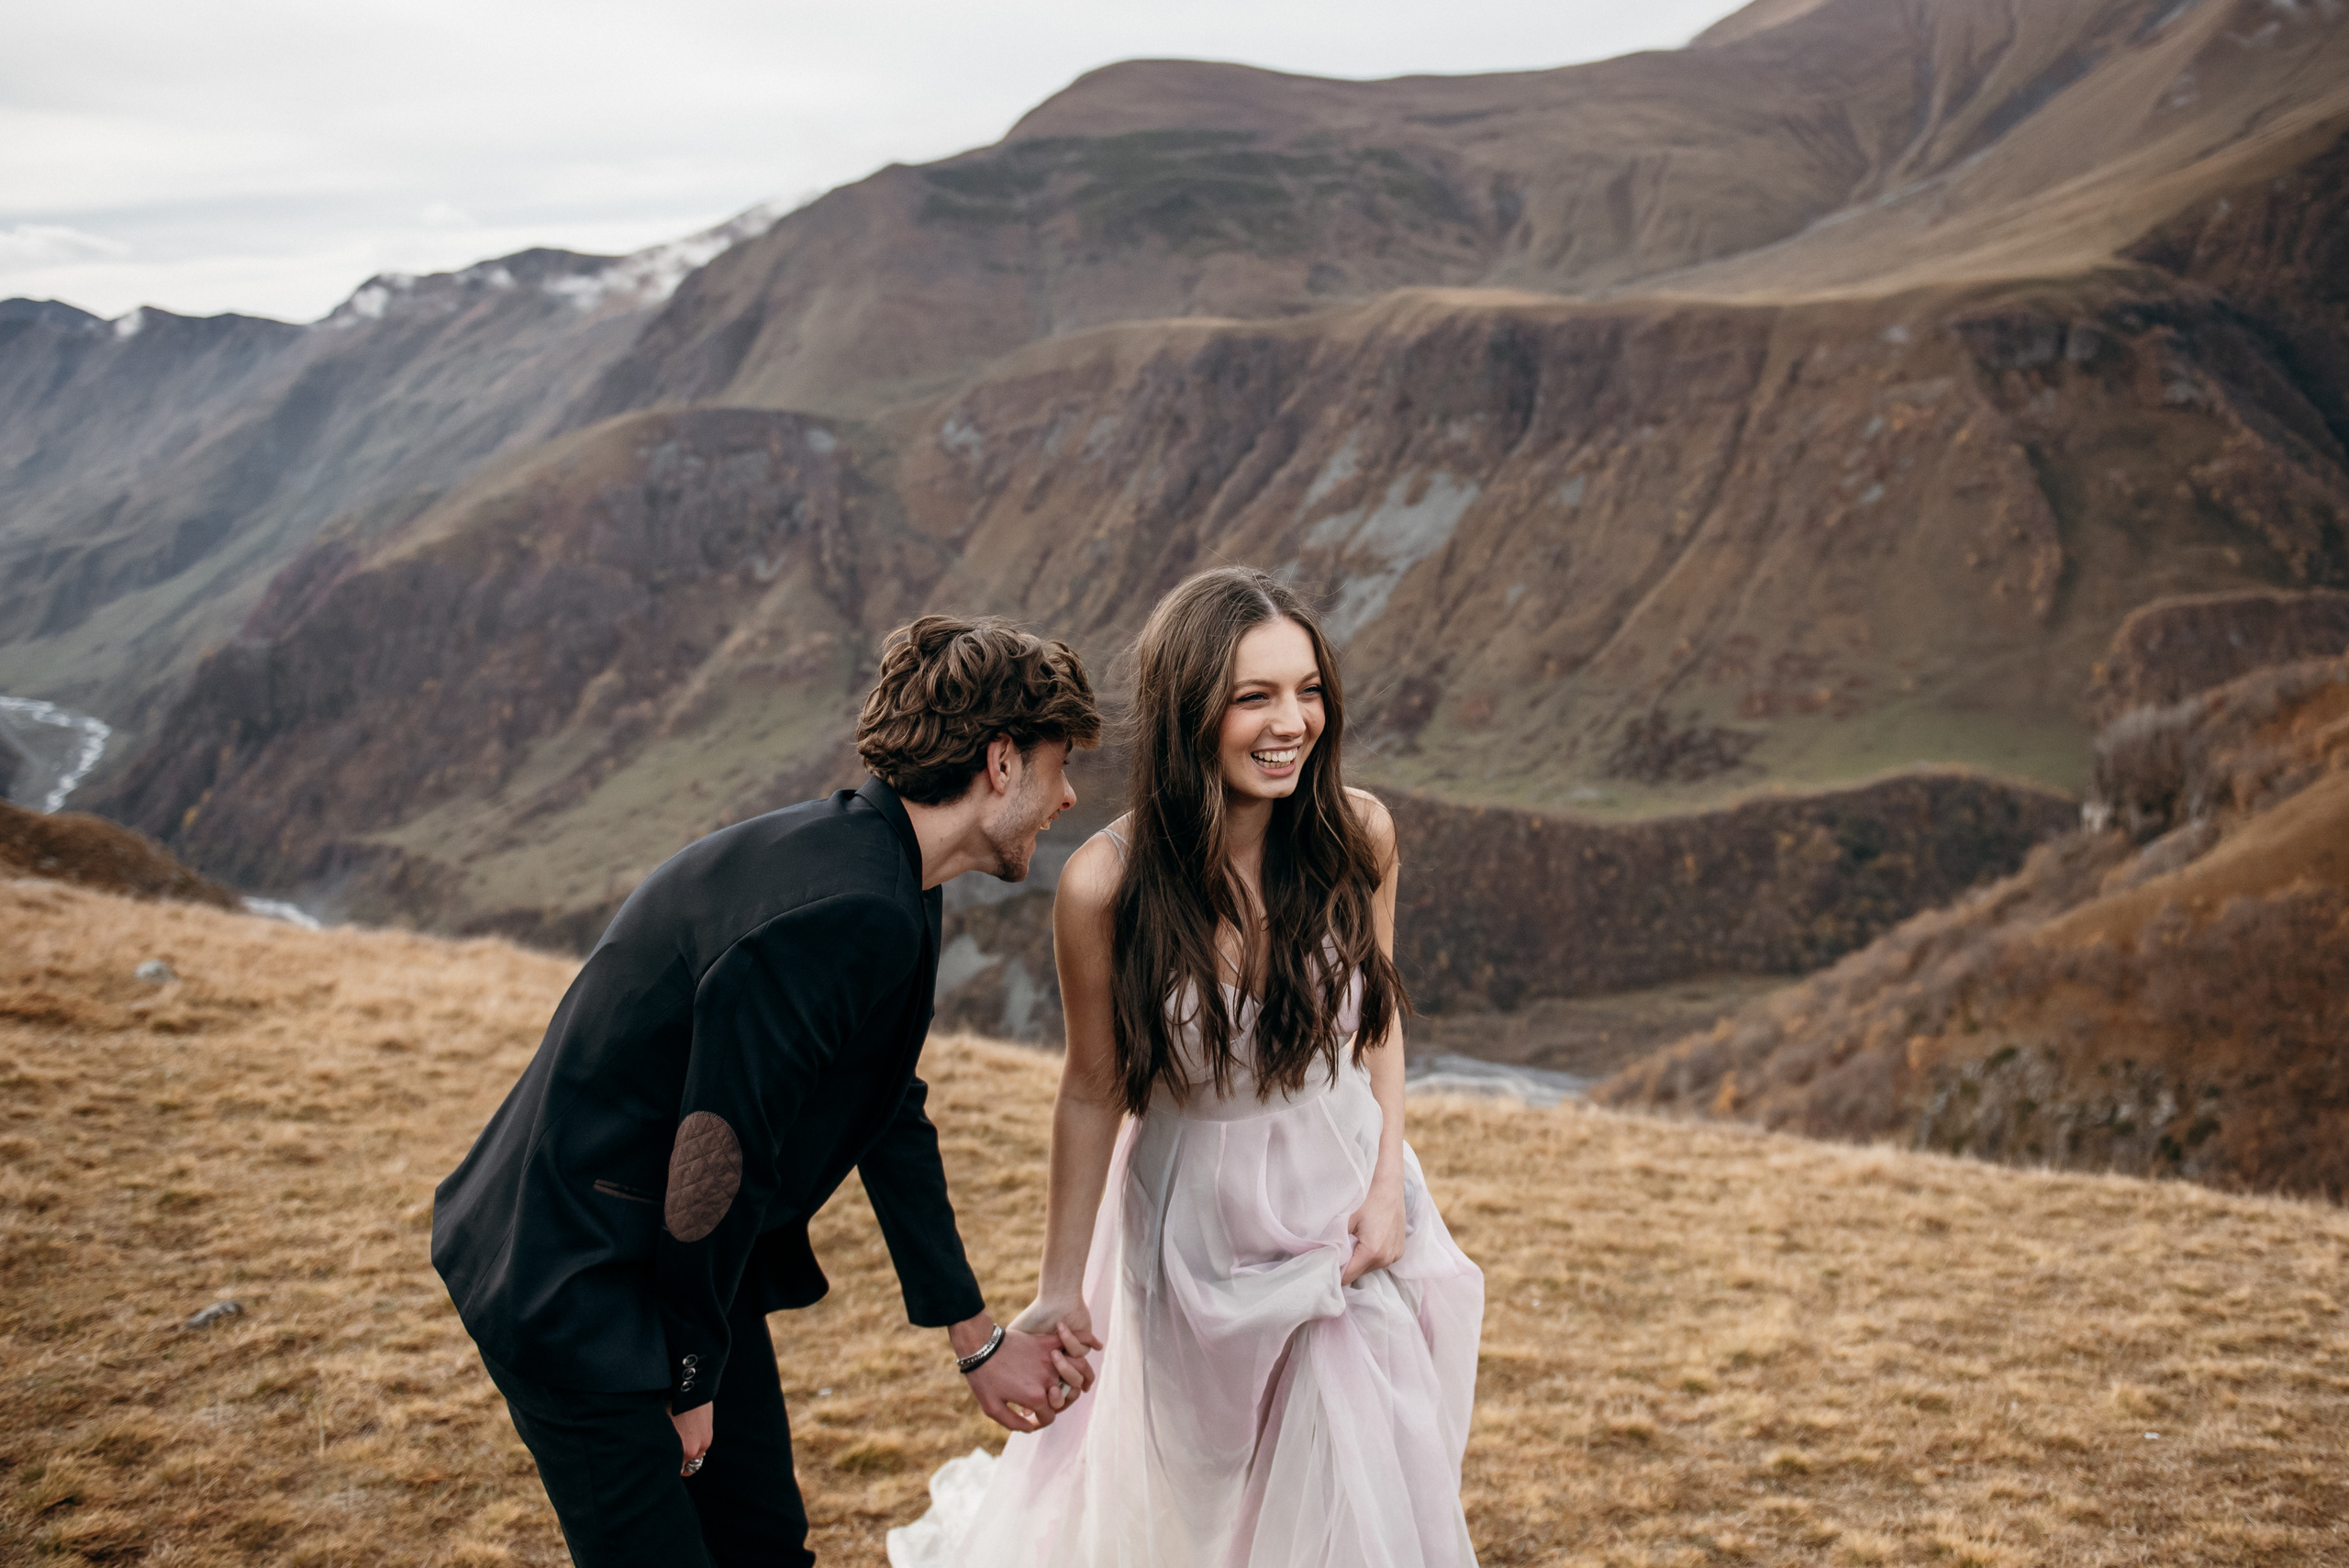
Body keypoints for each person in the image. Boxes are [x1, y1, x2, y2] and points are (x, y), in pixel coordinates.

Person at [433, 615, 1107, 1568]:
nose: (1067, 795)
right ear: (1001, 761)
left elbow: (888, 1107)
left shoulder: (889, 874)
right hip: (571, 1278)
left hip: (672, 1265)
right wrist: (691, 1374)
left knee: (763, 1543)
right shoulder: (847, 909)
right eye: (1056, 765)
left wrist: (976, 1336)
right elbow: (718, 1152)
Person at [889, 569, 1484, 1567]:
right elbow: (1090, 1086)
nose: (1290, 721)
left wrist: (1388, 1185)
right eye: (1254, 696)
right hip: (1188, 1229)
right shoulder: (1105, 885)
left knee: (1351, 1481)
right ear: (1189, 709)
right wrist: (1059, 1283)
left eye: (1307, 688)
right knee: (1195, 1513)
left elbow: (1374, 1022)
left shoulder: (1360, 834)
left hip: (1343, 1207)